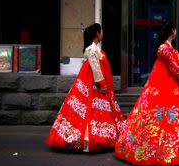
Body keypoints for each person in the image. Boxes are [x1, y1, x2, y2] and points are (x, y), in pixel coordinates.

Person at [116, 22, 179, 166]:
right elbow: (175, 69)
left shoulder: (167, 48)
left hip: (167, 84)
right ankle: (161, 151)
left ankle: (168, 150)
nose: (176, 32)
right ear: (173, 32)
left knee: (166, 118)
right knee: (165, 118)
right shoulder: (164, 48)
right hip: (164, 85)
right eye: (175, 30)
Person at [45, 23, 125, 152]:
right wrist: (102, 83)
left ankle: (88, 139)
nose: (102, 34)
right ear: (98, 33)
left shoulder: (92, 48)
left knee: (88, 110)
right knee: (90, 110)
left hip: (88, 81)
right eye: (102, 32)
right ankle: (87, 140)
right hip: (92, 83)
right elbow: (96, 68)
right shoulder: (92, 49)